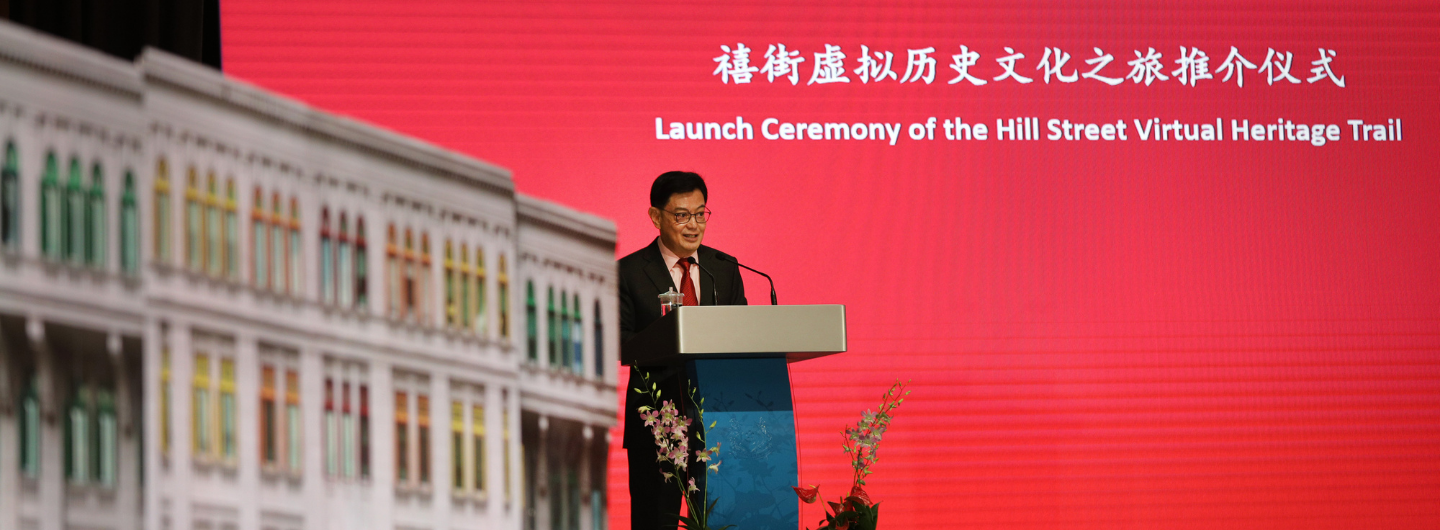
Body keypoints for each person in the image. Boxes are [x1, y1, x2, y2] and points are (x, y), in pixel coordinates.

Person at [618, 171, 746, 530]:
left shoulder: (724, 268)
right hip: (657, 426)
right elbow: (621, 342)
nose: (693, 225)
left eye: (700, 213)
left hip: (719, 423)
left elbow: (743, 334)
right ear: (655, 216)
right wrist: (672, 336)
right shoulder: (628, 272)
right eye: (681, 215)